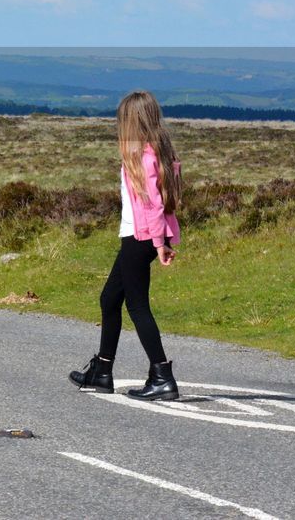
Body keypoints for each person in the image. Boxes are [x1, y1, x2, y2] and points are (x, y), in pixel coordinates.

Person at [69, 90, 182, 401]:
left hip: (141, 237)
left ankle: (162, 375)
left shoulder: (145, 158)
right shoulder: (153, 152)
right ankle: (102, 372)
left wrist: (159, 243)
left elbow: (154, 205)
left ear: (134, 122)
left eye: (123, 120)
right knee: (109, 299)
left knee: (137, 305)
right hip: (140, 236)